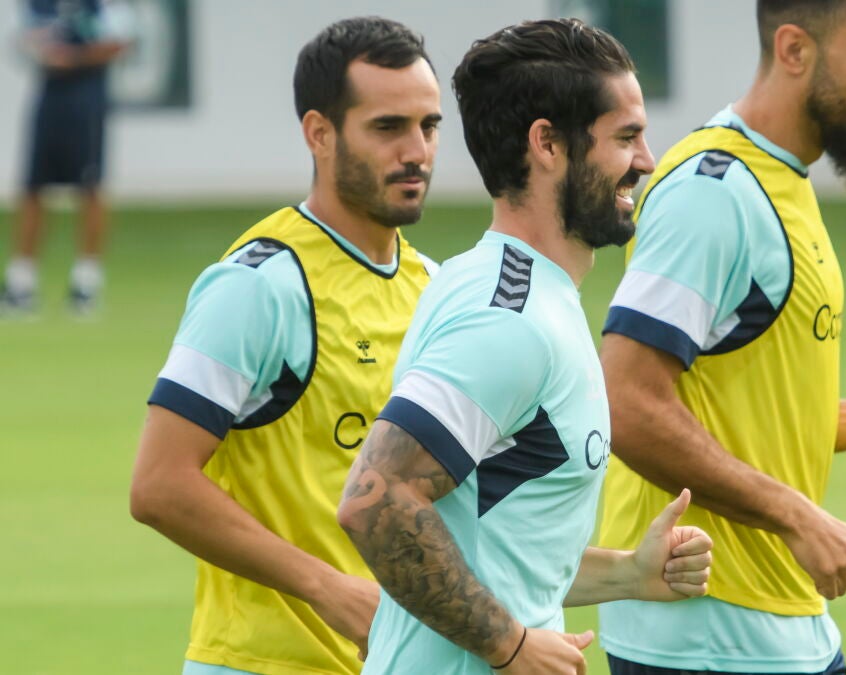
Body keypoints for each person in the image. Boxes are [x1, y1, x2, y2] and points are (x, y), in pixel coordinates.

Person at [595, 1, 846, 674]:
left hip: (769, 620)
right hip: (708, 628)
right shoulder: (713, 195)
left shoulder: (775, 178)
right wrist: (796, 515)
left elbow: (727, 403)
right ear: (795, 50)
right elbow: (625, 402)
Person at [336, 18, 714, 675]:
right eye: (625, 137)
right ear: (548, 144)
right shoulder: (507, 318)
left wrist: (629, 573)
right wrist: (507, 643)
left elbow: (498, 556)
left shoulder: (514, 291)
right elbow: (376, 501)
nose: (647, 160)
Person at [129, 17, 442, 675]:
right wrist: (328, 588)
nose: (416, 150)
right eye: (388, 127)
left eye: (429, 125)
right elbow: (158, 484)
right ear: (319, 133)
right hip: (260, 662)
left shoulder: (435, 288)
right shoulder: (259, 286)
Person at [2, 0, 134, 315]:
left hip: (87, 96)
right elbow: (22, 37)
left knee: (91, 185)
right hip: (49, 94)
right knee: (33, 186)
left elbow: (121, 41)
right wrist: (41, 50)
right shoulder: (38, 4)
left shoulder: (103, 4)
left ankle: (86, 282)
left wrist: (74, 58)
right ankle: (21, 282)